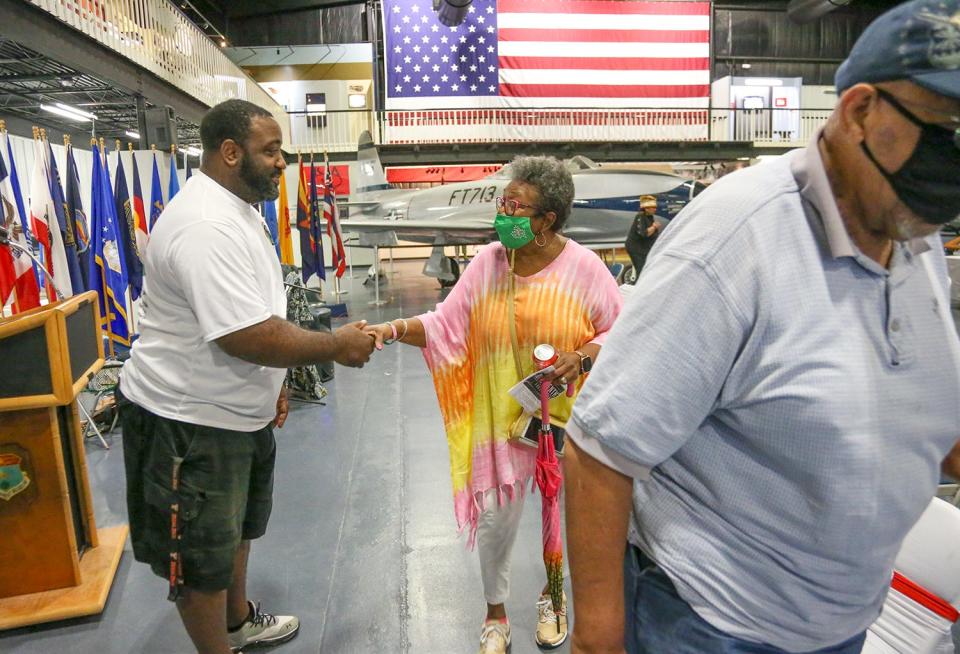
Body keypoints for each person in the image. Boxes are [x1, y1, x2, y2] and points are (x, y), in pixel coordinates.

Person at [564, 1, 960, 653]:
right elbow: (602, 449)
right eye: (949, 132)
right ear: (860, 112)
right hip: (715, 626)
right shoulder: (736, 241)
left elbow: (921, 403)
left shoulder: (912, 234)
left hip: (841, 622)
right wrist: (597, 641)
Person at [117, 99, 375, 654]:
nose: (282, 162)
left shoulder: (238, 206)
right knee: (200, 558)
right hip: (188, 422)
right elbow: (242, 334)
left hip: (235, 412)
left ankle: (237, 625)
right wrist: (335, 346)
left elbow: (261, 306)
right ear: (230, 153)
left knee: (235, 530)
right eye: (271, 150)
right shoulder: (206, 224)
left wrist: (275, 384)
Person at [364, 156, 622, 654]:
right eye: (502, 203)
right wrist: (393, 329)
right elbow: (445, 323)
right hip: (501, 422)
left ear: (547, 221)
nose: (502, 214)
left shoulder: (584, 268)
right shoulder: (489, 264)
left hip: (563, 422)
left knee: (564, 514)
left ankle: (553, 598)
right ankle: (495, 614)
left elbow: (619, 327)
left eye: (515, 207)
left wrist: (584, 356)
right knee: (495, 524)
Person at [623, 194, 662, 280]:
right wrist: (654, 227)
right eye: (653, 207)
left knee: (647, 268)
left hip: (643, 247)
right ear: (646, 208)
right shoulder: (640, 216)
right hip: (635, 247)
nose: (655, 209)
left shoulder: (650, 217)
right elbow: (644, 234)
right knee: (641, 270)